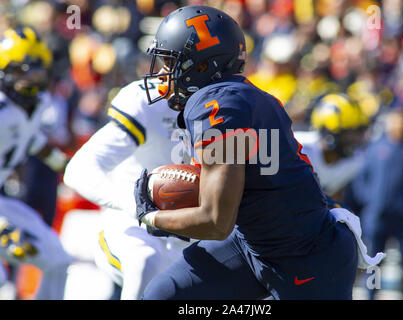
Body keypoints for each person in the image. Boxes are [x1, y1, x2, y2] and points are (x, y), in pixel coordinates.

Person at [133, 5, 383, 300]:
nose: (163, 73)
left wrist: (152, 217)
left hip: (305, 255)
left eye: (169, 62)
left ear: (201, 65)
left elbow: (216, 221)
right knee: (163, 294)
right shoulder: (237, 95)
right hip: (252, 240)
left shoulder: (216, 106)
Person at [63, 75, 191, 299]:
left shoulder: (232, 103)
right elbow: (79, 170)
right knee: (145, 261)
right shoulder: (149, 100)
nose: (164, 70)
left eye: (173, 59)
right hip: (136, 227)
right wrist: (137, 205)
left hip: (199, 230)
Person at [0, 26, 73, 299]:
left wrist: (67, 168)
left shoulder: (38, 103)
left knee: (57, 260)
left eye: (36, 70)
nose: (30, 79)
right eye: (22, 71)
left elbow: (30, 141)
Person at [350, 107, 403, 299]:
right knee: (373, 261)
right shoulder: (376, 146)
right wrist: (370, 200)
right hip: (377, 216)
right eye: (396, 120)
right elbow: (361, 179)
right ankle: (370, 295)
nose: (400, 124)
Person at [293, 93, 369, 202]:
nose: (355, 140)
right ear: (328, 132)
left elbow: (333, 195)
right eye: (349, 133)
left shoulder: (356, 161)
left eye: (358, 133)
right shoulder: (298, 147)